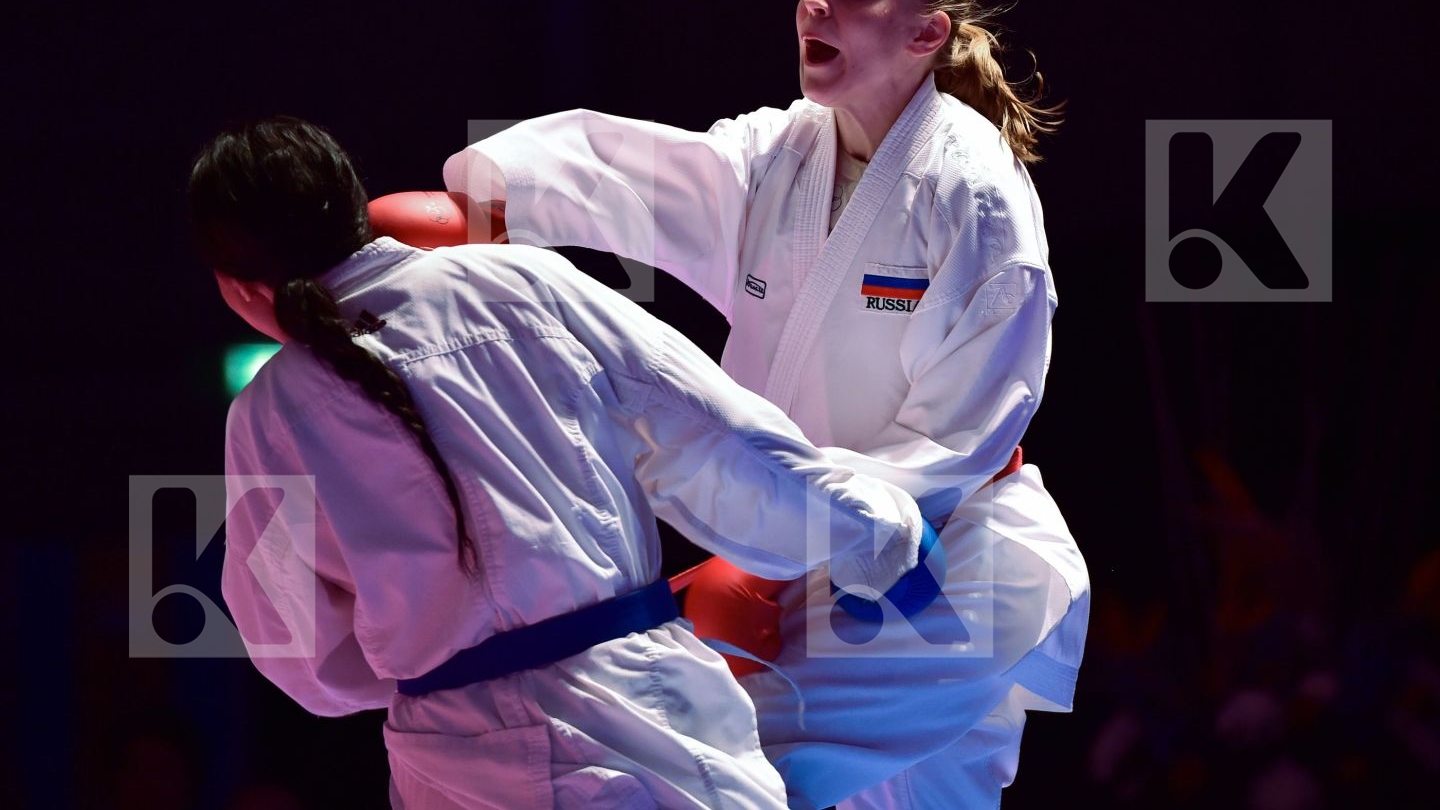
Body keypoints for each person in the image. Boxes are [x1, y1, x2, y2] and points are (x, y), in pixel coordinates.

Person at [372, 0, 1090, 808]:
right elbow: (639, 178)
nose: (816, 2)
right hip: (816, 551)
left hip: (948, 570)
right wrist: (497, 200)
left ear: (925, 34)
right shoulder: (781, 152)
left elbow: (962, 438)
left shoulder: (974, 192)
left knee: (732, 777)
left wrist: (779, 535)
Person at [193, 115, 936, 809]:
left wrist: (424, 667)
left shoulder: (263, 417)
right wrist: (875, 531)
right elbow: (711, 422)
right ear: (356, 208)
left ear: (239, 288)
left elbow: (298, 654)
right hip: (636, 710)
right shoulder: (516, 284)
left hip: (448, 754)